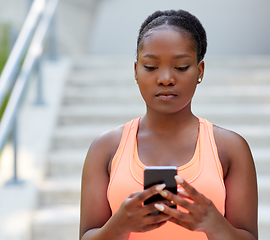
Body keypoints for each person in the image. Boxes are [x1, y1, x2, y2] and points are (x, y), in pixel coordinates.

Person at [79, 9, 258, 240]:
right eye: (151, 67)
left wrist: (214, 225)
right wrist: (119, 226)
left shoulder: (230, 148)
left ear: (199, 71)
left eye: (181, 67)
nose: (165, 78)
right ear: (136, 71)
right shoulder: (105, 148)